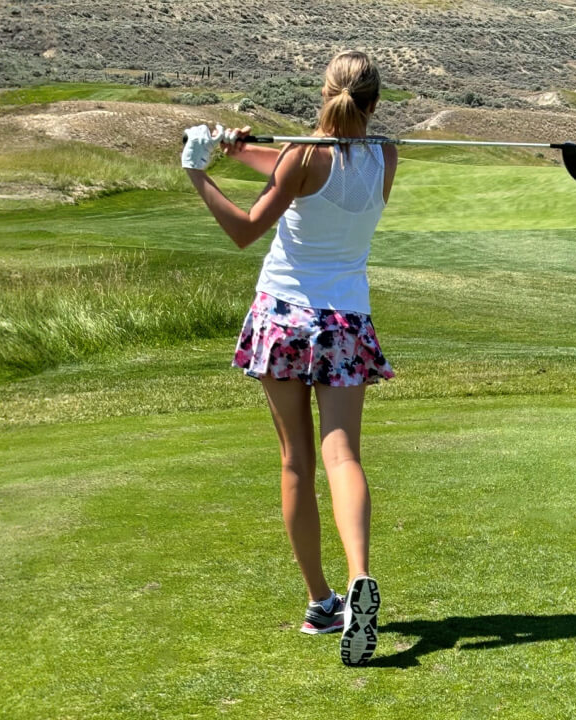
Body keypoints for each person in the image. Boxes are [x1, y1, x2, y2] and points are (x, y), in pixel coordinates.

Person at [181, 50, 396, 667]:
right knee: (343, 453)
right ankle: (359, 578)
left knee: (296, 459)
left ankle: (322, 602)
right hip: (346, 320)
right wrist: (236, 150)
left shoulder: (302, 158)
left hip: (285, 317)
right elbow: (299, 170)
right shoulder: (385, 154)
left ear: (321, 93)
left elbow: (247, 227)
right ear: (374, 102)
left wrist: (199, 172)